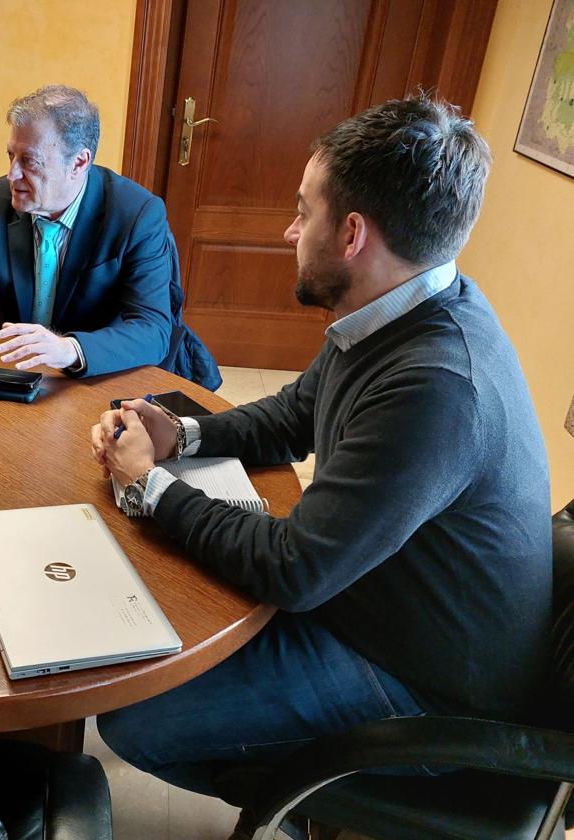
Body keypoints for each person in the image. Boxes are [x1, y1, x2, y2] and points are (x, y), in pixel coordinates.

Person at [90, 96, 551, 836]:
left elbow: (292, 571)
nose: (288, 229)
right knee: (154, 614)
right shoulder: (401, 307)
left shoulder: (438, 385)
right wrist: (178, 435)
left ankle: (304, 795)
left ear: (352, 234)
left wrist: (146, 485)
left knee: (130, 718)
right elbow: (294, 413)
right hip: (372, 602)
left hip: (419, 683)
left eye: (303, 212)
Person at [0, 85, 219, 385]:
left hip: (95, 380)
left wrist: (69, 350)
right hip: (11, 378)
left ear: (79, 162)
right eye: (11, 155)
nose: (12, 174)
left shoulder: (136, 214)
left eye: (29, 161)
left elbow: (152, 329)